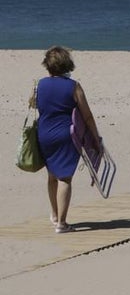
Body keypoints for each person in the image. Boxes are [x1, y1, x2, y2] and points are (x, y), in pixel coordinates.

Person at [35, 46, 101, 234]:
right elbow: (87, 115)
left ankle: (55, 215)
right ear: (66, 64)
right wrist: (95, 138)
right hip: (66, 135)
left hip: (44, 133)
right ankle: (62, 224)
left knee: (52, 175)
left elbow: (35, 104)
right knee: (64, 177)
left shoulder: (39, 85)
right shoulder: (73, 86)